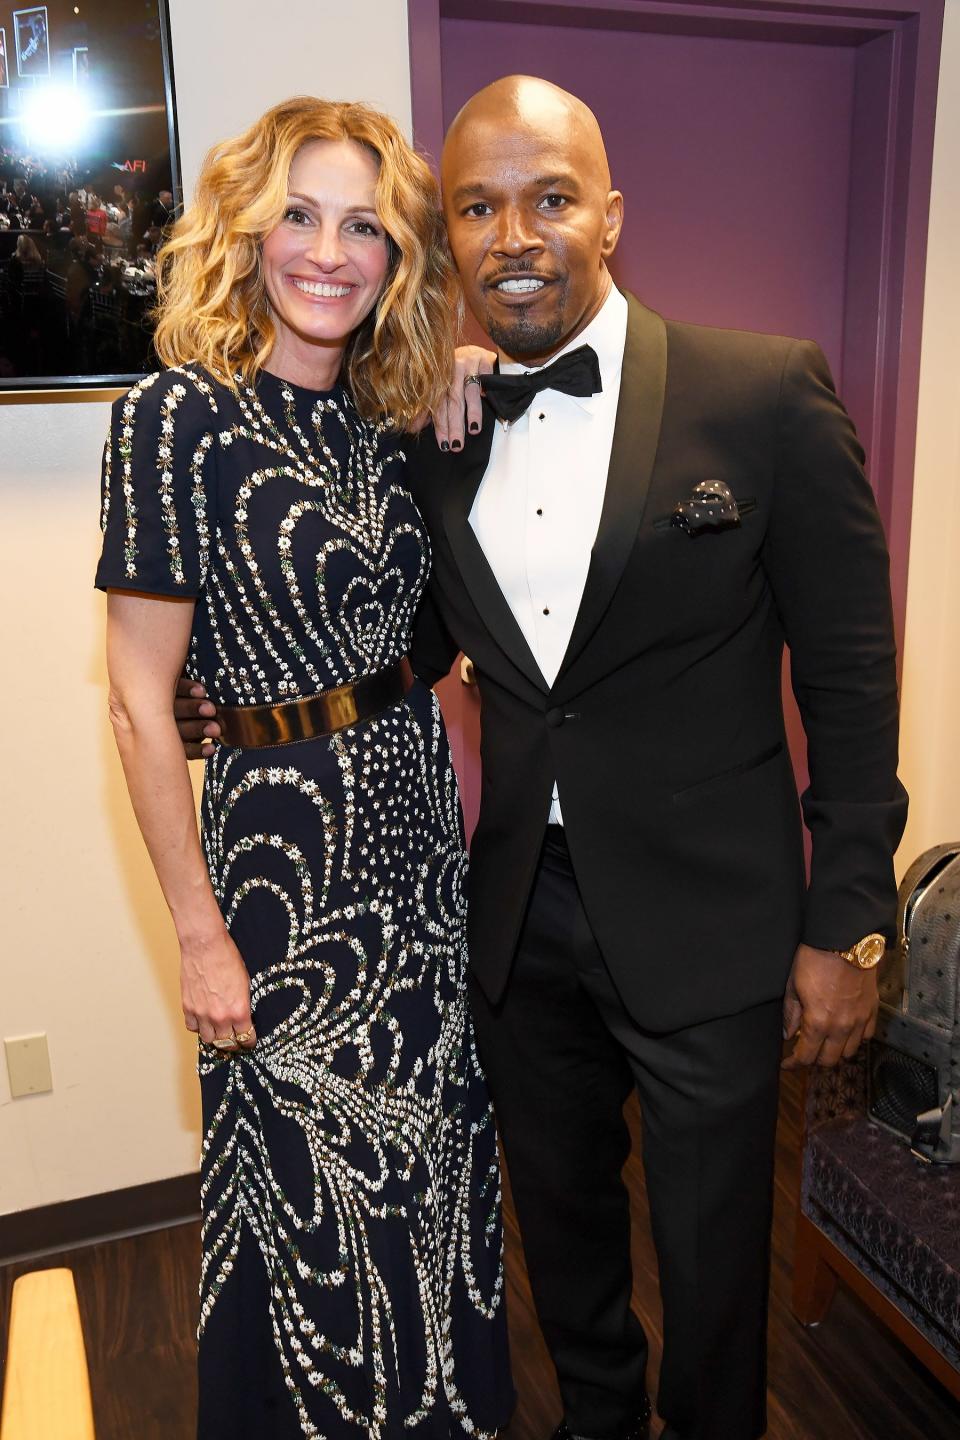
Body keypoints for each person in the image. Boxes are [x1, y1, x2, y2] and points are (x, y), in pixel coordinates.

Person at [177, 77, 908, 1440]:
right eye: (477, 206)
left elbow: (854, 677)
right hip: (519, 924)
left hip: (714, 926)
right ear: (445, 239)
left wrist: (849, 922)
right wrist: (231, 708)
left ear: (610, 217)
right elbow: (392, 637)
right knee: (564, 1256)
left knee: (710, 1269)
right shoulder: (435, 439)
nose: (515, 233)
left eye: (550, 198)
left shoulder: (766, 392)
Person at [96, 96, 511, 1440]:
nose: (328, 252)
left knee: (437, 1169)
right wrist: (200, 937)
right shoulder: (173, 419)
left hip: (413, 843)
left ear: (396, 257)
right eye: (299, 214)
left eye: (365, 227)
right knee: (304, 1189)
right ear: (246, 228)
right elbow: (138, 704)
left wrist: (465, 364)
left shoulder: (392, 416)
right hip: (279, 876)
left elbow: (447, 632)